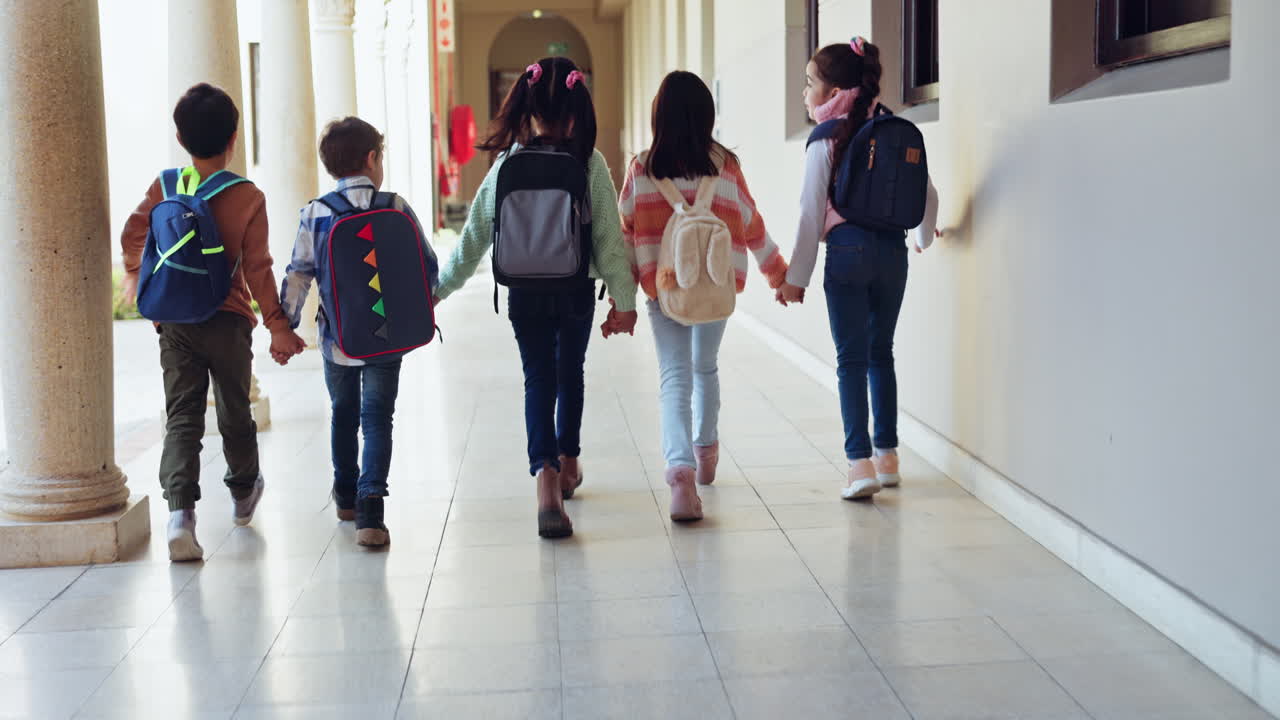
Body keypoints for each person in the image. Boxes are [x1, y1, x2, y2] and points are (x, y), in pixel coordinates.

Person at [433, 57, 638, 538]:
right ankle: (569, 463)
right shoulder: (589, 162)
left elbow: (474, 238)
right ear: (575, 112)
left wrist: (438, 290)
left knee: (537, 379)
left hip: (523, 291)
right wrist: (624, 303)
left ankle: (545, 478)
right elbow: (610, 241)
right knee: (571, 373)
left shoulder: (507, 164)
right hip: (574, 291)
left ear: (527, 109)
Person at [120, 83, 305, 562]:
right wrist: (278, 325)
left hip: (176, 323)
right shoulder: (247, 195)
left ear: (180, 139)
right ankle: (243, 493)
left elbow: (133, 234)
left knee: (182, 415)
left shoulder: (164, 185)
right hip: (228, 320)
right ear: (234, 137)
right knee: (233, 408)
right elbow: (258, 268)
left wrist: (143, 285)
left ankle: (180, 513)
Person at [615, 71, 787, 521]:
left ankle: (680, 474)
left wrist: (625, 296)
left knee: (674, 376)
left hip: (666, 287)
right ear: (708, 115)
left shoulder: (642, 168)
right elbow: (751, 224)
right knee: (704, 366)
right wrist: (777, 272)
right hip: (716, 287)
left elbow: (625, 234)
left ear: (658, 115)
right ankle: (705, 453)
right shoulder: (725, 166)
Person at [776, 37, 940, 500]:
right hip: (892, 253)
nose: (804, 93)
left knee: (850, 360)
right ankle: (888, 458)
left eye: (809, 84)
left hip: (847, 252)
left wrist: (796, 278)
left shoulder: (826, 136)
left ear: (831, 94)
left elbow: (811, 213)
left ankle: (859, 464)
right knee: (881, 353)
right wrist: (922, 238)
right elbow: (928, 194)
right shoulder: (888, 126)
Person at [278, 117, 439, 547]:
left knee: (343, 414)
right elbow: (428, 266)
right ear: (372, 158)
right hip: (388, 339)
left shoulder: (316, 212)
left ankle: (346, 495)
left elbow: (298, 275)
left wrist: (284, 327)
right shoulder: (396, 207)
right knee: (378, 419)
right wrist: (421, 307)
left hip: (338, 341)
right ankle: (372, 511)